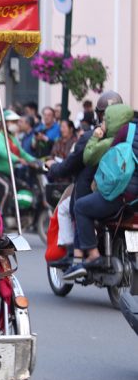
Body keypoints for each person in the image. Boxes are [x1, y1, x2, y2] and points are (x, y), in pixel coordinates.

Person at [46, 90, 123, 269]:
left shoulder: (91, 137)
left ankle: (77, 255)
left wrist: (53, 168)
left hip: (102, 191)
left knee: (72, 208)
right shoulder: (130, 133)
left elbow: (72, 164)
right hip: (128, 195)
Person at [64, 103, 136, 280]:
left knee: (81, 207)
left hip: (124, 196)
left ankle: (93, 254)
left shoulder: (127, 130)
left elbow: (109, 162)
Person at [0, 110, 36, 212]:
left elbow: (23, 153)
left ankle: (18, 215)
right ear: (4, 122)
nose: (16, 125)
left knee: (25, 187)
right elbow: (2, 151)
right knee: (7, 188)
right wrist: (18, 160)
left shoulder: (12, 138)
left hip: (7, 174)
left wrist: (36, 161)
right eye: (12, 122)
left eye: (16, 122)